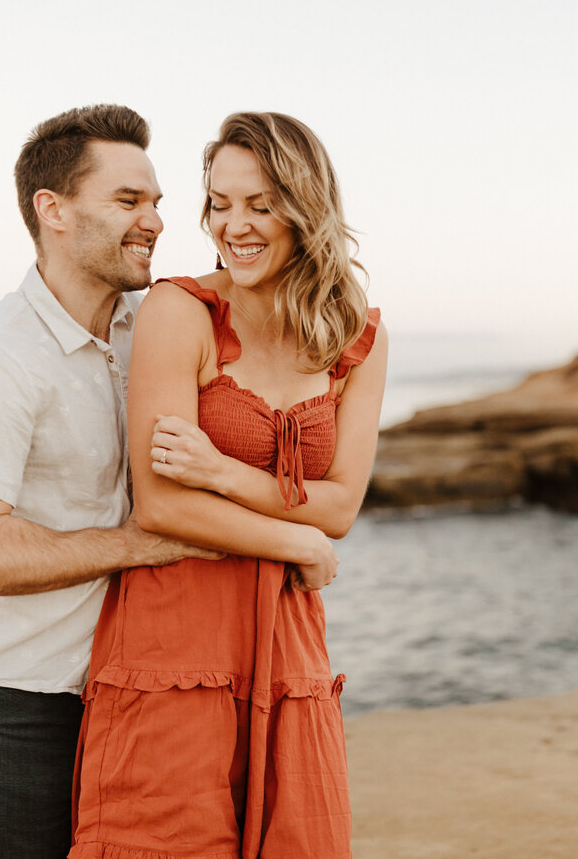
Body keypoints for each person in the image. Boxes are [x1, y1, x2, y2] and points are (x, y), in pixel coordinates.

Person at [70, 112, 388, 858]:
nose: (233, 226)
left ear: (305, 208)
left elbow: (342, 506)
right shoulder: (181, 311)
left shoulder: (354, 335)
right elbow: (160, 502)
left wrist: (220, 471)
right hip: (175, 638)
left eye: (260, 204)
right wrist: (292, 537)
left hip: (290, 641)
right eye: (219, 203)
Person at [0, 104, 223, 859]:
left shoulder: (159, 327)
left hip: (159, 693)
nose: (155, 220)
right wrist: (138, 545)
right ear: (51, 210)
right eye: (128, 201)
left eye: (156, 202)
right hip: (36, 709)